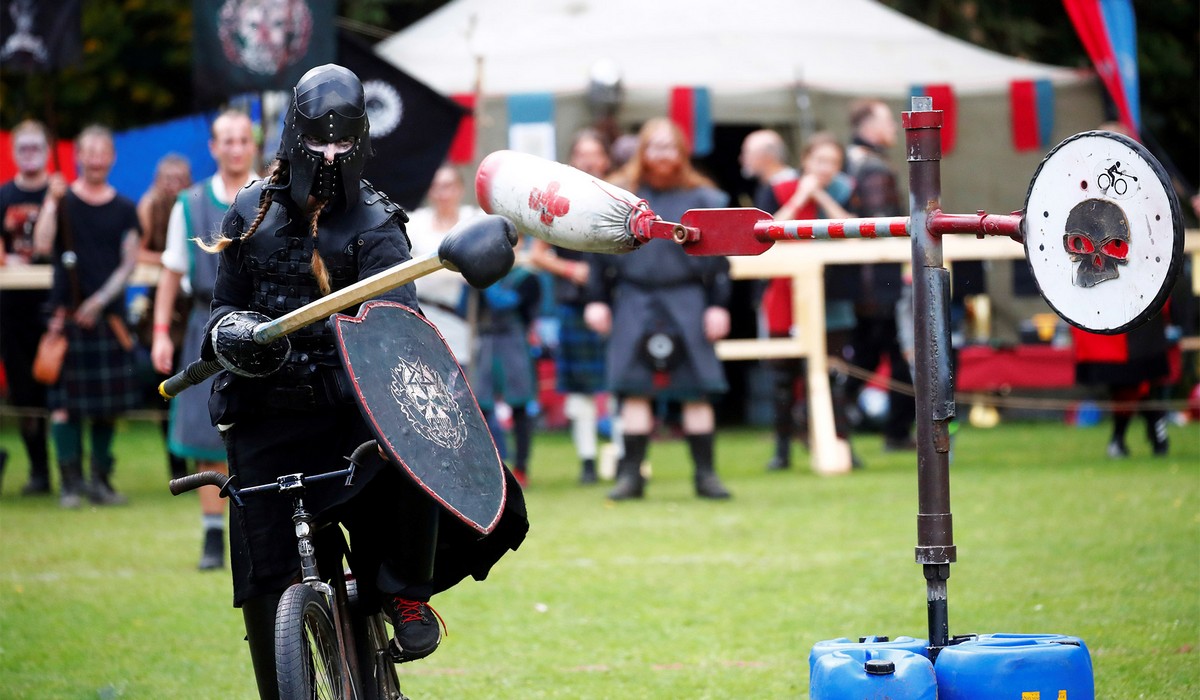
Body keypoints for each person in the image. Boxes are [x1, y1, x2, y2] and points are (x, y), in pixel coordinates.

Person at [197, 64, 526, 696]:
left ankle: (402, 592)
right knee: (266, 578)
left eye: (341, 144)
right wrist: (230, 334)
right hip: (266, 414)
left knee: (407, 466)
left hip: (351, 415)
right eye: (316, 142)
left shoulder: (378, 224)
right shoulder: (247, 212)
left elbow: (401, 326)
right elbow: (222, 304)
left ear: (361, 141)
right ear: (294, 135)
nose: (327, 156)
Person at [585, 117, 733, 500]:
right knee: (634, 390)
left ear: (682, 152)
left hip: (688, 299)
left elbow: (720, 262)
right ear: (642, 152)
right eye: (654, 147)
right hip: (633, 298)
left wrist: (718, 306)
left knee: (697, 389)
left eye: (669, 146)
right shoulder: (623, 197)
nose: (662, 155)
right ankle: (632, 477)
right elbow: (598, 252)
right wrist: (597, 300)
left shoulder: (705, 200)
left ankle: (706, 476)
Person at [151, 111, 257, 571]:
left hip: (262, 328)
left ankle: (254, 531)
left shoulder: (272, 198)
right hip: (203, 328)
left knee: (258, 427)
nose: (235, 148)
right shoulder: (190, 204)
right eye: (226, 140)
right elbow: (171, 272)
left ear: (251, 145)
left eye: (242, 140)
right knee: (204, 430)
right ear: (213, 148)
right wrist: (160, 332)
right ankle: (213, 536)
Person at [31, 125, 142, 508]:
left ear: (112, 157)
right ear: (77, 156)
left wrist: (97, 301)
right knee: (64, 407)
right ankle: (69, 484)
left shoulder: (125, 209)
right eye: (89, 151)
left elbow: (128, 264)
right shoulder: (62, 203)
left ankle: (100, 481)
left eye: (103, 151)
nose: (96, 159)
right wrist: (50, 199)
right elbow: (42, 245)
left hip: (106, 319)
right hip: (64, 318)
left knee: (106, 407)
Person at [749, 132, 859, 470]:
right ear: (805, 160)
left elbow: (857, 230)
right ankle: (782, 450)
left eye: (834, 163)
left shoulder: (845, 190)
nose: (826, 168)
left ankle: (841, 445)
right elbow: (765, 232)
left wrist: (821, 195)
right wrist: (800, 197)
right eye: (820, 160)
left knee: (835, 374)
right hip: (786, 293)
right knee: (784, 377)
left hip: (832, 296)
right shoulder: (778, 189)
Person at [530, 129, 615, 484]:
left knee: (622, 384)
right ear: (573, 159)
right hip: (574, 306)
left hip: (615, 304)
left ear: (605, 159)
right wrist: (571, 269)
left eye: (595, 153)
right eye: (582, 153)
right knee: (580, 389)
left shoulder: (619, 197)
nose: (589, 160)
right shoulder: (559, 199)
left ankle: (624, 456)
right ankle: (587, 462)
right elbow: (537, 255)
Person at [843, 99, 916, 451]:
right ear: (868, 125)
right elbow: (881, 226)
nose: (893, 129)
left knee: (869, 356)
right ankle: (896, 433)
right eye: (887, 121)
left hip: (861, 280)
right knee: (897, 354)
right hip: (877, 282)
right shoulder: (873, 168)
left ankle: (826, 422)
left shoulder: (850, 160)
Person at [0, 120, 58, 496]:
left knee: (62, 393)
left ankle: (76, 473)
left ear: (48, 150)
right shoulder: (3, 195)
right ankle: (39, 471)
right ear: (12, 152)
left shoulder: (62, 193)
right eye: (23, 147)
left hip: (55, 307)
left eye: (37, 147)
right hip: (12, 309)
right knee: (25, 395)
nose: (30, 153)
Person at [136, 152, 192, 481]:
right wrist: (174, 259)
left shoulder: (193, 205)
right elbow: (138, 252)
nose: (173, 186)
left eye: (179, 179)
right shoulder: (149, 206)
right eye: (166, 179)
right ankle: (176, 465)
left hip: (192, 308)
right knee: (165, 388)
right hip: (161, 306)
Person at [466, 248, 541, 486]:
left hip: (514, 343)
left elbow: (504, 303)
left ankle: (521, 467)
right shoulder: (478, 274)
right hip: (486, 342)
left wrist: (480, 281)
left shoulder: (527, 278)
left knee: (520, 405)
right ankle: (490, 467)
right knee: (482, 408)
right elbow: (463, 308)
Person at [405, 163, 481, 366]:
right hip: (419, 312)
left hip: (458, 315)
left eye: (448, 186)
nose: (442, 193)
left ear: (459, 189)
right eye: (436, 186)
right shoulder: (416, 222)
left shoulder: (471, 221)